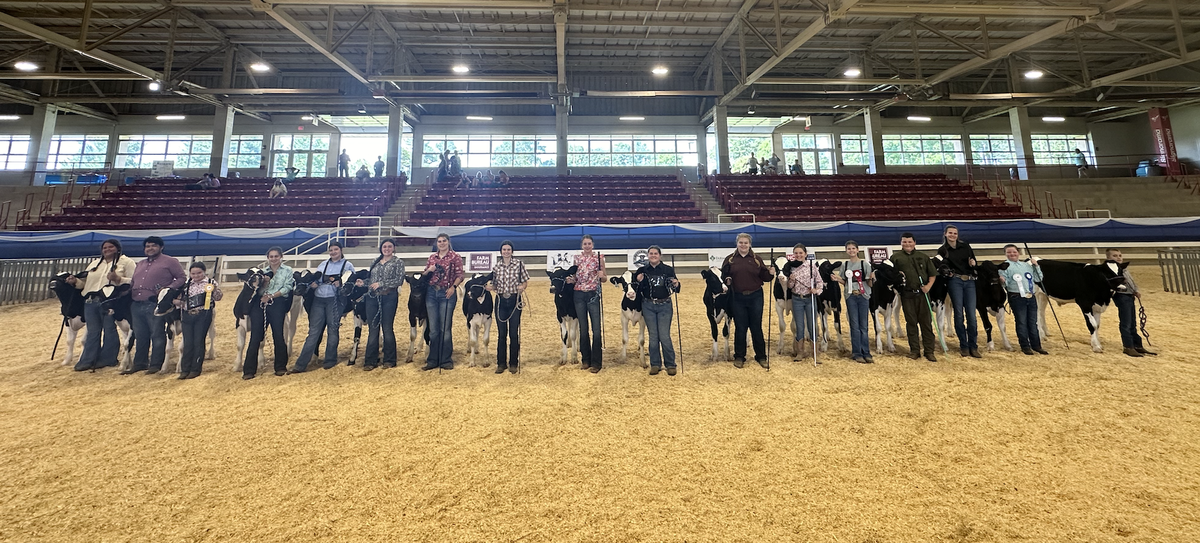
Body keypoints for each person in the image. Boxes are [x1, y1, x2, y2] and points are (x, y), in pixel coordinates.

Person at [68, 239, 136, 371]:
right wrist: (75, 281)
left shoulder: (126, 262)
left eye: (111, 247)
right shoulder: (94, 264)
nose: (107, 250)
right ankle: (88, 360)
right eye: (104, 248)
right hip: (90, 300)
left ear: (118, 248)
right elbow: (85, 284)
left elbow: (135, 280)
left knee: (109, 329)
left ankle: (108, 359)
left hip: (110, 301)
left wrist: (118, 279)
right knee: (92, 331)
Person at [123, 236, 187, 375]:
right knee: (140, 334)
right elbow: (133, 281)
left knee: (157, 333)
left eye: (153, 246)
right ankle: (140, 363)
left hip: (155, 302)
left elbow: (182, 278)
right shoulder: (140, 264)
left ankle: (156, 363)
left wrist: (168, 289)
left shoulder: (170, 261)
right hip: (136, 302)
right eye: (147, 246)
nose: (150, 248)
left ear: (161, 247)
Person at [290, 242, 355, 373]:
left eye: (336, 249)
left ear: (341, 250)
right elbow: (315, 279)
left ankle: (330, 360)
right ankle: (301, 364)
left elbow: (350, 282)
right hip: (319, 299)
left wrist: (341, 284)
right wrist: (313, 284)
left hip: (336, 299)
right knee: (314, 331)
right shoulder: (323, 264)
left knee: (333, 329)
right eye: (331, 250)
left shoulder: (347, 265)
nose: (333, 252)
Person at [720, 233, 773, 368]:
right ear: (737, 243)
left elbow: (765, 277)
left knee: (756, 327)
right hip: (737, 297)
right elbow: (724, 275)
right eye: (741, 242)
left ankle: (761, 356)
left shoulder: (757, 260)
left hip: (755, 296)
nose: (743, 245)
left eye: (746, 243)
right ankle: (739, 356)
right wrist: (727, 279)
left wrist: (770, 273)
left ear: (750, 244)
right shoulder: (729, 260)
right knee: (740, 328)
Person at [242, 246, 295, 379]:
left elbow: (287, 287)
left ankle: (280, 367)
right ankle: (249, 370)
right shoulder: (262, 272)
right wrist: (264, 284)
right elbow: (256, 290)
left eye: (276, 256)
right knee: (255, 336)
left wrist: (272, 296)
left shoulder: (288, 270)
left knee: (278, 334)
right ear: (268, 258)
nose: (274, 259)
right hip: (260, 304)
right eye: (271, 257)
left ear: (281, 257)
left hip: (278, 303)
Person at [891, 232, 938, 362]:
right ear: (901, 243)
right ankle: (914, 350)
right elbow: (891, 275)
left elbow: (932, 274)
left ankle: (929, 351)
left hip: (923, 294)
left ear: (914, 243)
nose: (907, 244)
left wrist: (928, 286)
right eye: (904, 242)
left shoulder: (923, 257)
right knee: (911, 323)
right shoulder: (895, 257)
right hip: (907, 295)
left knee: (926, 323)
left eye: (910, 242)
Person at [359, 239, 406, 369]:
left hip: (389, 296)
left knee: (387, 328)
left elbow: (399, 280)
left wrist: (381, 284)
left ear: (394, 248)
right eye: (384, 246)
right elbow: (371, 279)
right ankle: (370, 360)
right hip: (372, 298)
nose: (387, 249)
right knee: (373, 329)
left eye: (389, 246)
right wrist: (363, 282)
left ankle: (389, 359)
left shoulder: (398, 262)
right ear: (381, 248)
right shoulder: (375, 262)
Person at [937, 225, 981, 358]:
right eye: (950, 233)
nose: (952, 235)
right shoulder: (942, 250)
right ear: (945, 234)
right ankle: (964, 345)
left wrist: (974, 264)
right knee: (958, 313)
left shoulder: (966, 247)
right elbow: (940, 265)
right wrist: (947, 272)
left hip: (969, 280)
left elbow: (974, 262)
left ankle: (973, 345)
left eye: (955, 233)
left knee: (971, 315)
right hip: (955, 280)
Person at [634, 245, 680, 375]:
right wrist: (638, 281)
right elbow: (635, 288)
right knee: (653, 336)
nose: (653, 255)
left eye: (655, 253)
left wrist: (676, 283)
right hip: (648, 305)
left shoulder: (668, 270)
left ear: (660, 256)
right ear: (648, 256)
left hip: (664, 304)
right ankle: (655, 364)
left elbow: (675, 287)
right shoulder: (642, 270)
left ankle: (670, 364)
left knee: (664, 336)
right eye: (651, 253)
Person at [486, 240, 529, 374]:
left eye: (508, 249)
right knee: (501, 334)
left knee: (514, 333)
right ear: (501, 251)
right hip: (500, 301)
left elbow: (525, 281)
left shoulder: (519, 264)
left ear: (512, 251)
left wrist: (522, 287)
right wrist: (490, 287)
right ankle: (501, 363)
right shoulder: (496, 267)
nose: (506, 252)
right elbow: (494, 284)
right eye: (504, 249)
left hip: (515, 300)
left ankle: (513, 363)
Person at [423, 233, 464, 370]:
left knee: (445, 328)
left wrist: (453, 287)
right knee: (433, 329)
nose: (441, 243)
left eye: (444, 241)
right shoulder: (432, 258)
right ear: (437, 243)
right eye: (439, 241)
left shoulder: (455, 257)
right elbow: (424, 275)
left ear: (448, 242)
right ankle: (433, 359)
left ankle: (446, 359)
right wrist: (430, 270)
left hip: (447, 292)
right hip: (431, 293)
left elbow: (460, 275)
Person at [175, 261, 222, 379]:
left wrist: (215, 290)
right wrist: (176, 302)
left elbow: (218, 297)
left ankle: (195, 369)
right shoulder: (186, 284)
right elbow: (179, 299)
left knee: (198, 341)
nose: (196, 276)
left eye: (199, 273)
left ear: (204, 272)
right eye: (193, 273)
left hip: (203, 314)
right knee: (188, 342)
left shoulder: (211, 283)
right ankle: (185, 369)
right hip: (187, 314)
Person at [1106, 248, 1156, 358]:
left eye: (1119, 255)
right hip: (1121, 295)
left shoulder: (1124, 269)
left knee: (1132, 321)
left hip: (1129, 295)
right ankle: (1128, 346)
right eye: (1115, 256)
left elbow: (1131, 281)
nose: (1118, 257)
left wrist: (1135, 290)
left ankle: (1137, 345)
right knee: (1126, 322)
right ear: (1108, 258)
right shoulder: (1111, 270)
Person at [1000, 244, 1048, 356]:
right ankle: (1025, 346)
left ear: (1018, 253)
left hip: (1030, 296)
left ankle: (1036, 345)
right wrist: (1002, 280)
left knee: (1033, 322)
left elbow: (1038, 278)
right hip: (1016, 297)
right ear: (1005, 254)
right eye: (1009, 252)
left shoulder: (1026, 265)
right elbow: (1004, 284)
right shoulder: (1004, 266)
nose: (1012, 254)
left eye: (1014, 252)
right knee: (1021, 322)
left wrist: (1036, 267)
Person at [569, 235, 607, 373]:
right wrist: (570, 279)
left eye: (589, 243)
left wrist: (602, 275)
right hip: (578, 294)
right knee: (583, 329)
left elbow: (604, 279)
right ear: (582, 245)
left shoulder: (599, 258)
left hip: (593, 295)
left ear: (593, 244)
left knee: (596, 329)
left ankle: (596, 362)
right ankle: (586, 359)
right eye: (585, 244)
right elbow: (575, 277)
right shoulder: (576, 258)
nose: (587, 246)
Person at [832, 241, 874, 363]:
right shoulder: (845, 266)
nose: (851, 251)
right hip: (850, 296)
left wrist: (872, 278)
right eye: (849, 249)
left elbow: (869, 284)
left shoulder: (864, 264)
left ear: (857, 250)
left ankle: (866, 352)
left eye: (853, 248)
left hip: (863, 295)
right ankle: (856, 352)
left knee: (864, 326)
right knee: (854, 325)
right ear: (846, 250)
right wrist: (837, 279)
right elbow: (845, 282)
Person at [782, 243, 823, 362]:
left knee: (812, 325)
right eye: (796, 253)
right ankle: (800, 352)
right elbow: (790, 287)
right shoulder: (791, 267)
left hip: (810, 298)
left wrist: (816, 290)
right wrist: (791, 280)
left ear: (805, 254)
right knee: (799, 325)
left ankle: (815, 352)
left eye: (800, 253)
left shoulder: (811, 266)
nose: (798, 255)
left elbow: (819, 281)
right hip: (797, 298)